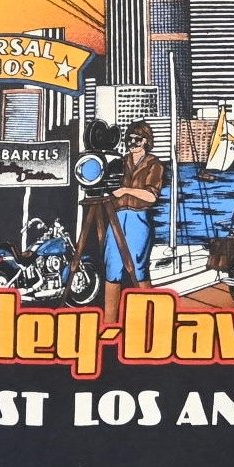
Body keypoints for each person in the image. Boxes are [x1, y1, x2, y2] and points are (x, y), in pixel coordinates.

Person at [103, 120, 163, 322]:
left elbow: (151, 196)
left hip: (139, 218)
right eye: (129, 139)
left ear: (146, 141)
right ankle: (109, 322)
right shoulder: (120, 162)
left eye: (138, 139)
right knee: (112, 268)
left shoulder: (154, 164)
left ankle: (149, 320)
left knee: (139, 269)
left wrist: (126, 190)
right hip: (117, 216)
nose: (132, 143)